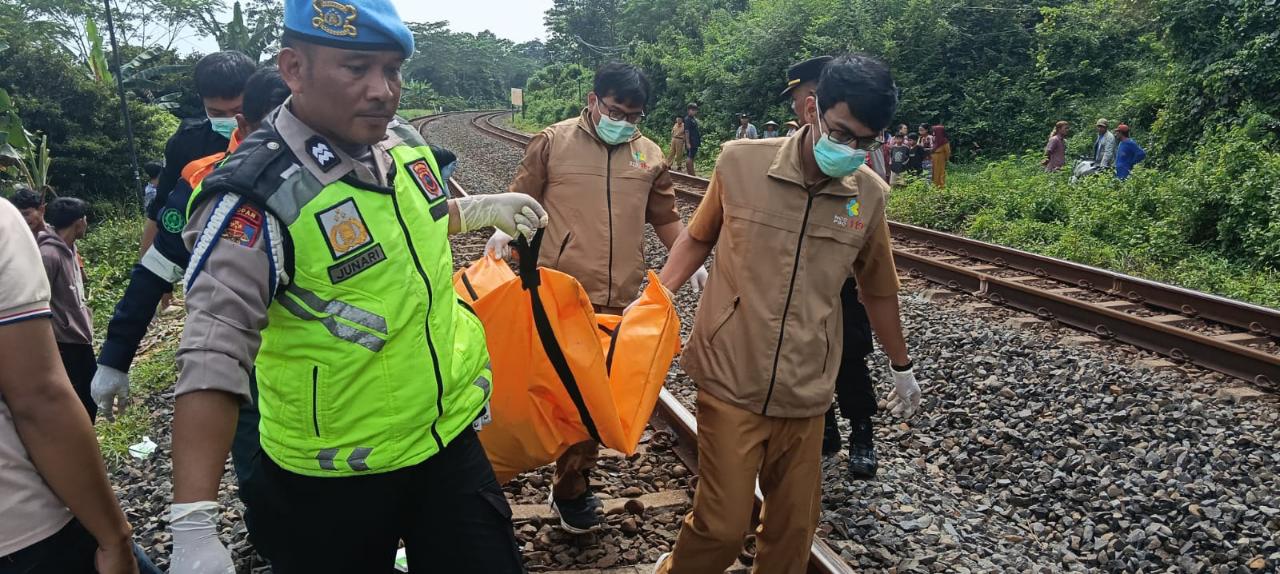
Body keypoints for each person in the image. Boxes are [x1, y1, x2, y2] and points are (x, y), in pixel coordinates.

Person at [166, 1, 541, 571]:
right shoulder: (255, 194)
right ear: (293, 68)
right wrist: (193, 521)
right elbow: (214, 350)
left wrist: (480, 209)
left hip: (446, 441)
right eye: (356, 68)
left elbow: (410, 225)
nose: (382, 89)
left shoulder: (402, 143)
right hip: (333, 477)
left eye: (392, 70)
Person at [652, 54, 921, 574]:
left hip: (806, 389)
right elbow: (698, 238)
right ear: (812, 108)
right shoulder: (739, 162)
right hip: (731, 375)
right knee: (722, 527)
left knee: (793, 529)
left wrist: (901, 366)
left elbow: (879, 289)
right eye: (842, 132)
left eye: (866, 142)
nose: (851, 150)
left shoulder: (868, 196)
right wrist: (655, 299)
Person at [490, 61, 707, 533]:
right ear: (593, 100)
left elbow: (665, 216)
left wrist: (693, 261)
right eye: (615, 110)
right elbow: (518, 202)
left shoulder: (649, 155)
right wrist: (502, 237)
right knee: (543, 395)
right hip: (556, 294)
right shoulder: (552, 142)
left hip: (620, 299)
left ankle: (572, 488)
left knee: (594, 403)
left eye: (633, 115)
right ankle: (502, 474)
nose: (623, 121)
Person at [0, 200, 159, 574]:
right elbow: (39, 400)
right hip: (25, 529)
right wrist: (114, 537)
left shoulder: (64, 251)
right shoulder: (31, 245)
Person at [781, 54, 883, 476]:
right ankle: (824, 428)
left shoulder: (854, 149)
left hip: (839, 282)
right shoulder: (788, 147)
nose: (797, 107)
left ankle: (862, 432)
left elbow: (867, 223)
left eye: (802, 95)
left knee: (849, 357)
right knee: (802, 355)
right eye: (797, 101)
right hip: (794, 279)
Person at [139, 51, 255, 256]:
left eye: (239, 110)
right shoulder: (187, 143)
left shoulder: (280, 132)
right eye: (217, 113)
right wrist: (147, 277)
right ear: (202, 101)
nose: (232, 120)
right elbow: (160, 209)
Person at [37, 197, 96, 420]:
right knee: (78, 397)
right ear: (78, 222)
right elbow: (41, 300)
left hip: (80, 335)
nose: (86, 223)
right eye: (85, 219)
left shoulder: (70, 248)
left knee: (89, 394)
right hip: (64, 339)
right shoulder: (48, 255)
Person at [684, 102, 701, 175]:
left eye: (695, 110)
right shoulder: (687, 119)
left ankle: (692, 173)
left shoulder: (693, 119)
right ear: (689, 110)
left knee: (692, 156)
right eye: (693, 110)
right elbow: (687, 131)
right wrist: (687, 143)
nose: (694, 112)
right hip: (691, 141)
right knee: (690, 157)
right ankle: (691, 174)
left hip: (695, 141)